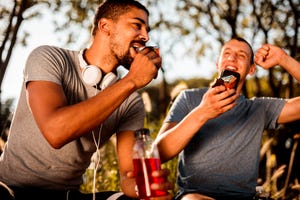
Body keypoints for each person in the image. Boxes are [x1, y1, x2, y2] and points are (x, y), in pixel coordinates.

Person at [0, 0, 172, 199]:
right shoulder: (48, 58)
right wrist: (131, 80)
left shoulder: (131, 102)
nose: (146, 36)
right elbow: (56, 131)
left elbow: (128, 175)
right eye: (137, 25)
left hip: (67, 196)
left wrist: (143, 189)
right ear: (105, 26)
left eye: (147, 29)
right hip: (9, 189)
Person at [154, 37, 300, 200]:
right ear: (218, 63)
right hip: (197, 196)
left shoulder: (259, 109)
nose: (232, 57)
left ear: (251, 69)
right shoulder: (189, 98)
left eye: (242, 55)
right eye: (227, 53)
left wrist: (283, 58)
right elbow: (157, 153)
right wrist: (202, 112)